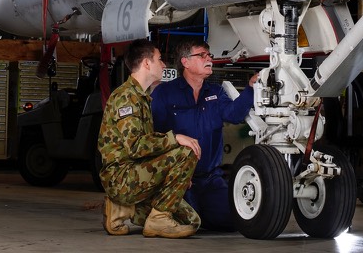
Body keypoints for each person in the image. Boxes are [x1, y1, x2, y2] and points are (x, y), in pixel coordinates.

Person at [98, 39, 202, 239]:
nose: (164, 64)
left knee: (191, 221)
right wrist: (175, 138)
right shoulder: (126, 98)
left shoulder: (142, 97)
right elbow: (136, 146)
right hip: (122, 178)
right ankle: (157, 220)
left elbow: (145, 150)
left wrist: (177, 174)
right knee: (186, 151)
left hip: (136, 175)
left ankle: (121, 210)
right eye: (159, 59)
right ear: (146, 63)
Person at [151, 40, 257, 232]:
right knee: (189, 223)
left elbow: (234, 114)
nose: (209, 59)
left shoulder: (216, 93)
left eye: (209, 56)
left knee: (236, 219)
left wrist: (250, 88)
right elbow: (155, 135)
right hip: (179, 178)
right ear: (185, 62)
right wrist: (174, 174)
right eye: (202, 55)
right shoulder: (164, 93)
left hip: (210, 179)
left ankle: (205, 213)